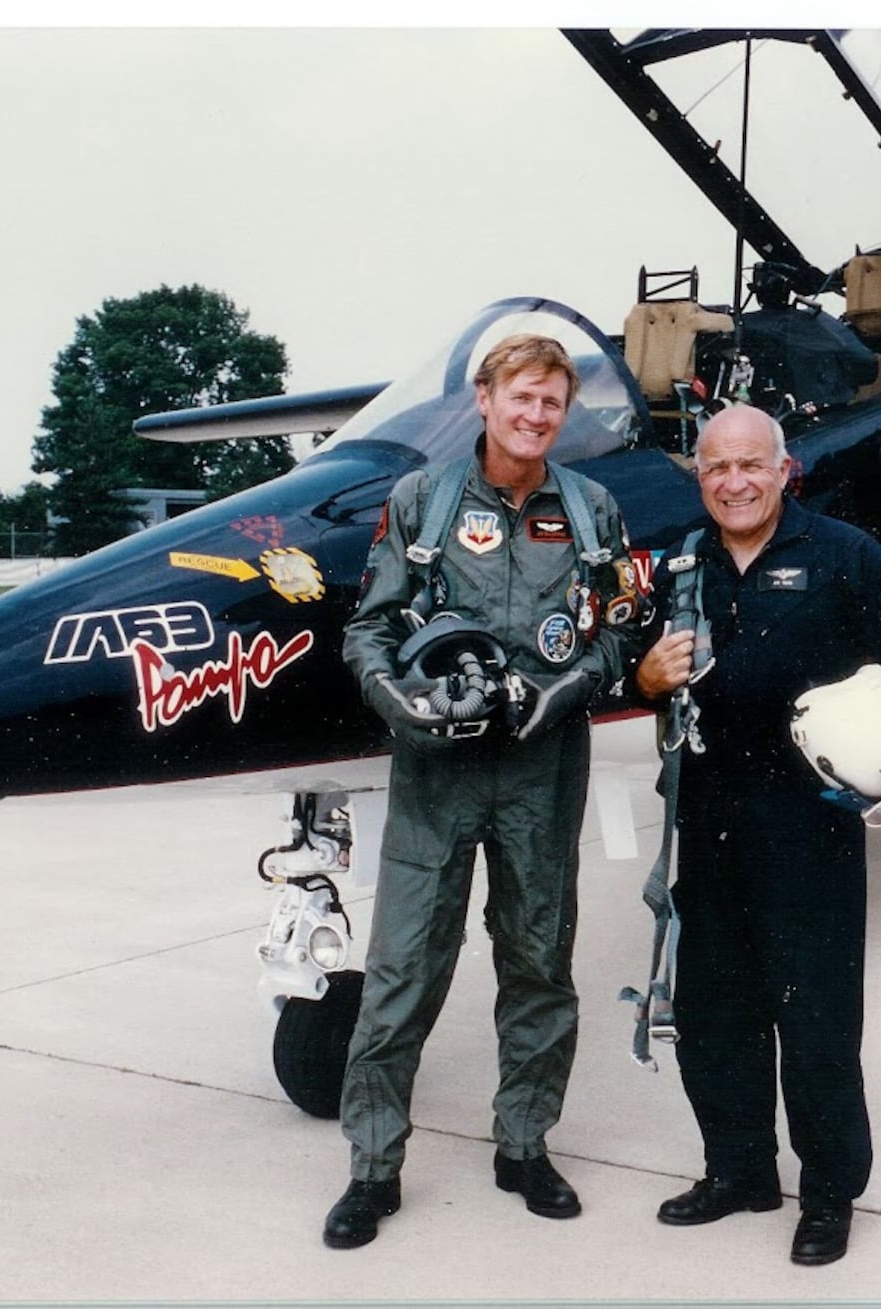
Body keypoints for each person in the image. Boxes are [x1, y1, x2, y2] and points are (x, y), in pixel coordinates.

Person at [324, 334, 642, 1249]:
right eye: (522, 398)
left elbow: (618, 634)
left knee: (539, 964)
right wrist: (395, 697)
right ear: (485, 397)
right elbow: (370, 630)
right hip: (436, 773)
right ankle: (373, 1168)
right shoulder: (421, 503)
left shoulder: (592, 511)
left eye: (552, 402)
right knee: (403, 972)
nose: (537, 415)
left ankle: (524, 1145)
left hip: (542, 771)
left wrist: (567, 685)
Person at [633, 403, 881, 1266]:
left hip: (808, 825)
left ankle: (827, 1194)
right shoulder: (682, 562)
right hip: (706, 816)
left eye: (751, 465)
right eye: (715, 468)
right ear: (697, 476)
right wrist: (644, 675)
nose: (734, 482)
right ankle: (739, 1170)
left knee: (813, 1015)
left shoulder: (843, 554)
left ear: (784, 472)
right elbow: (640, 671)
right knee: (713, 1009)